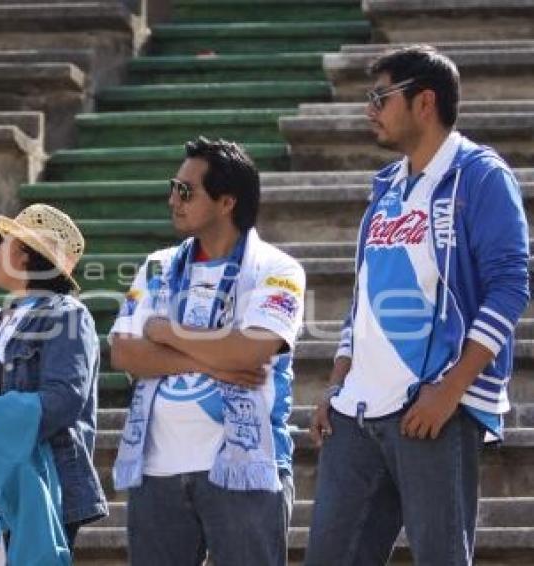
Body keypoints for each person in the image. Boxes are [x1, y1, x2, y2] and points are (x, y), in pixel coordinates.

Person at [305, 45, 530, 565]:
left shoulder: (480, 175)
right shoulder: (385, 188)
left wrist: (451, 391)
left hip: (432, 408)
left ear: (424, 102)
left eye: (380, 97)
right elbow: (365, 297)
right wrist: (338, 383)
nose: (370, 109)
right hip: (357, 412)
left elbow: (511, 285)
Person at [110, 137, 306, 566]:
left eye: (185, 191)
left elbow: (248, 354)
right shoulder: (157, 264)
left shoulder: (278, 268)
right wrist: (212, 360)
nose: (172, 199)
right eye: (173, 187)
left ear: (226, 202)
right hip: (156, 469)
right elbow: (124, 354)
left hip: (245, 469)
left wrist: (164, 331)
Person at [0, 204, 109, 564]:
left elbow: (63, 398)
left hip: (34, 485)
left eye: (4, 244)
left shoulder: (67, 314)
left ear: (28, 255)